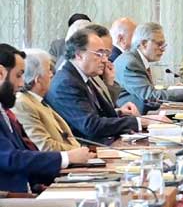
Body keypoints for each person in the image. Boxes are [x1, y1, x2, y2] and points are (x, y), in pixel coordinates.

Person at [0, 43, 92, 193]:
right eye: (18, 75)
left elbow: (26, 153)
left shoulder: (4, 110)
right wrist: (66, 157)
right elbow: (11, 159)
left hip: (31, 191)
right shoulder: (19, 104)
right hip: (10, 203)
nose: (22, 83)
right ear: (0, 74)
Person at [46, 28, 164, 143]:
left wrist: (119, 113)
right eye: (99, 54)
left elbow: (94, 114)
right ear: (79, 55)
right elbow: (91, 126)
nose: (104, 60)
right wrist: (140, 122)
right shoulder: (66, 83)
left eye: (105, 54)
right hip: (87, 150)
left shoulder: (81, 76)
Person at [115, 23, 183, 113]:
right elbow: (150, 97)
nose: (163, 49)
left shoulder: (134, 58)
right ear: (144, 44)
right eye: (159, 44)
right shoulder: (131, 63)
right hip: (132, 120)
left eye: (164, 45)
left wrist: (173, 90)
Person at [13, 49, 81, 151]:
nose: (51, 74)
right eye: (49, 70)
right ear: (38, 78)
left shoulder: (38, 100)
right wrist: (76, 151)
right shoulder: (23, 103)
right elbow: (44, 146)